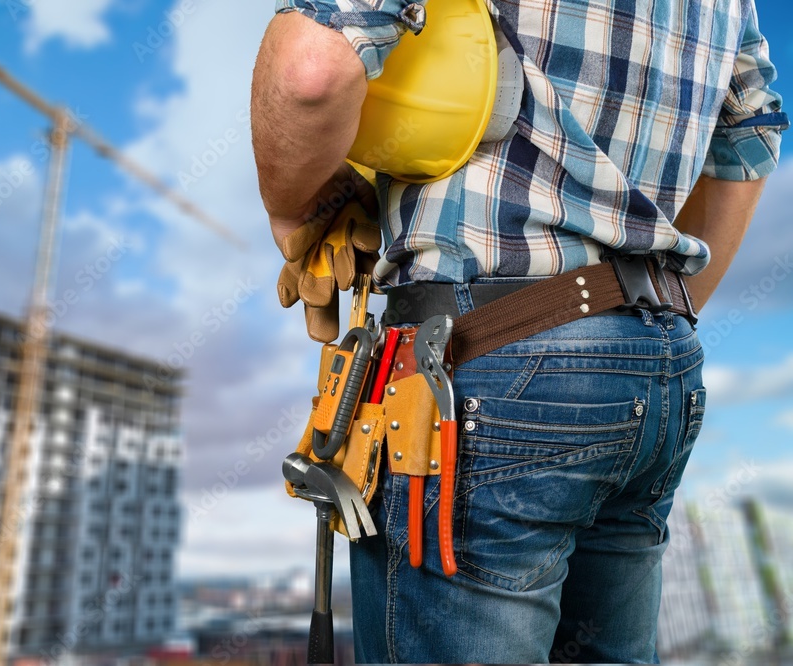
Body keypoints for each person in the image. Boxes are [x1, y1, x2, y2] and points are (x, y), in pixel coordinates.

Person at [251, 0, 787, 662]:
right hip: (659, 365)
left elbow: (312, 71)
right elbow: (752, 134)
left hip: (486, 371)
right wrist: (630, 318)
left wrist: (294, 209)